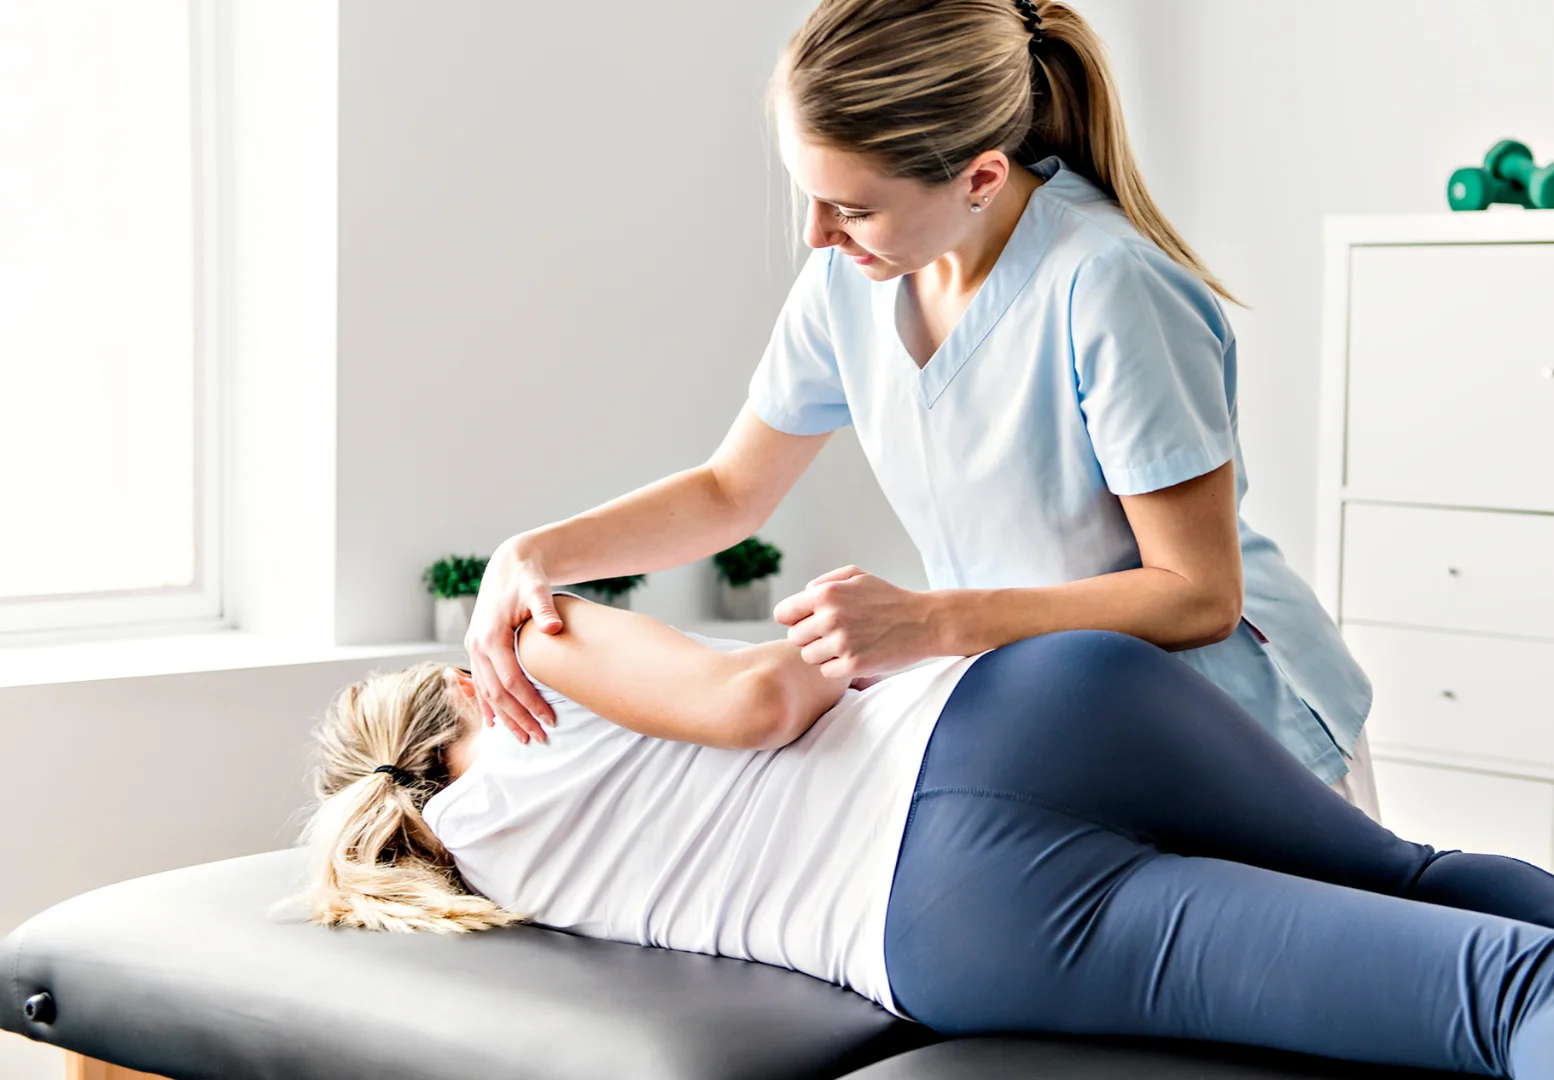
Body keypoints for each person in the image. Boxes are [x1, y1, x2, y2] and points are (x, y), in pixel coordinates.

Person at [289, 594, 1554, 1080]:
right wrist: (805, 642)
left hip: (956, 922)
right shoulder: (522, 654)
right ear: (446, 696)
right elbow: (763, 708)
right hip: (1027, 715)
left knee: (1505, 996)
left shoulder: (474, 869)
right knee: (1433, 893)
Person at [462, 0, 1378, 810]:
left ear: (981, 177)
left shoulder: (1107, 286)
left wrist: (928, 624)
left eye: (853, 208)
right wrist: (535, 553)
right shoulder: (848, 280)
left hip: (1244, 733)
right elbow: (730, 493)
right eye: (810, 198)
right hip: (1073, 712)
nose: (819, 235)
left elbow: (1198, 595)